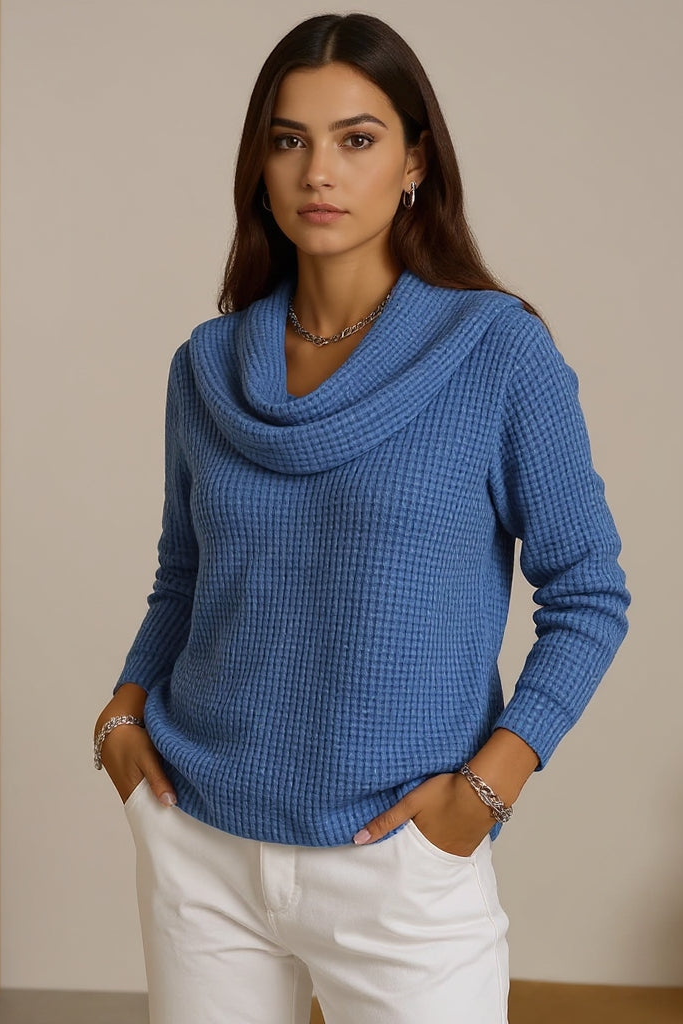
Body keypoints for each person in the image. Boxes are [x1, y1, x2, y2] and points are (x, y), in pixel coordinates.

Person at [93, 12, 629, 1024]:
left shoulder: (497, 352)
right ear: (259, 164)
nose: (318, 172)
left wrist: (487, 789)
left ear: (414, 160)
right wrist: (121, 719)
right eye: (289, 140)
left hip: (398, 861)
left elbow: (589, 592)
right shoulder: (206, 365)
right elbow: (186, 577)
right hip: (199, 842)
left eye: (357, 139)